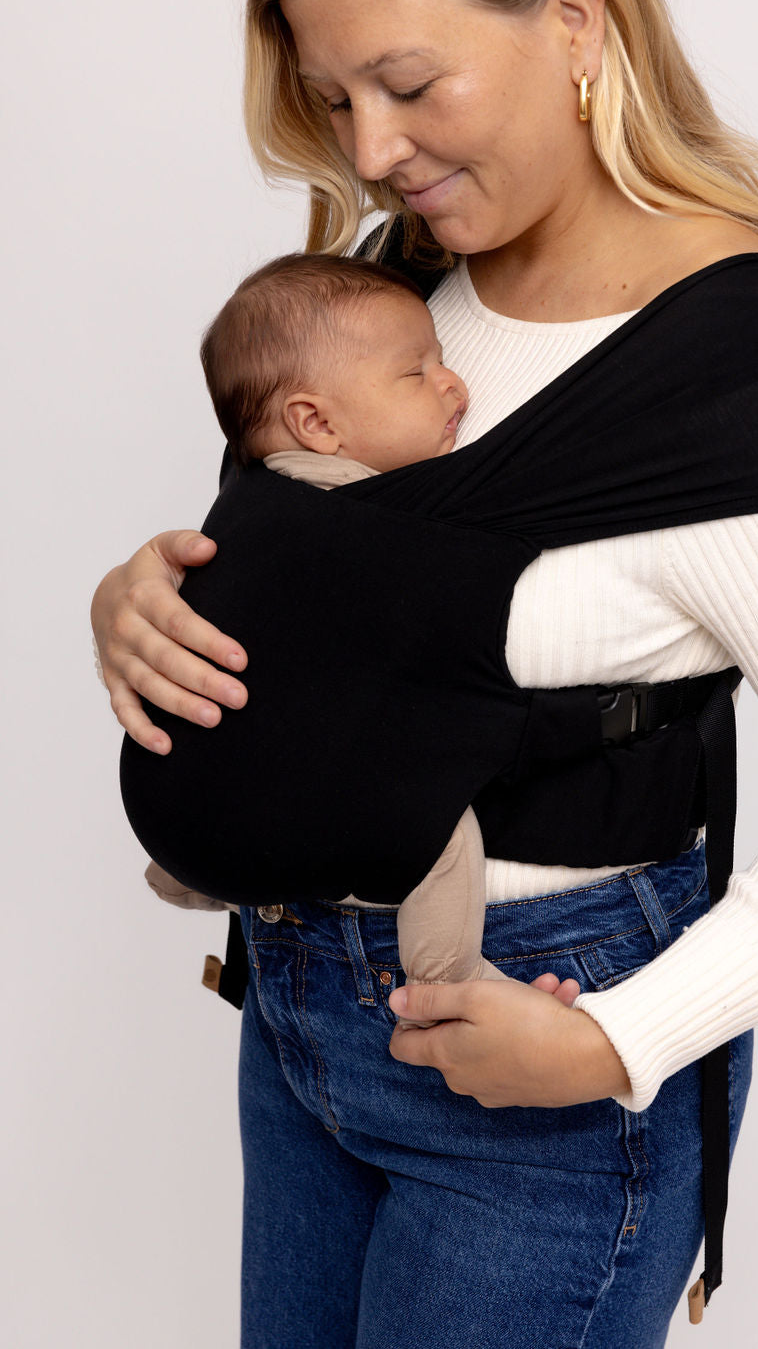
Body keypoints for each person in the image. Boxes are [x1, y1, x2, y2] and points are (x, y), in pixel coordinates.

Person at [91, 0, 758, 1343]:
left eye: (408, 84)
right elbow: (330, 578)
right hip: (294, 1010)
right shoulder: (392, 286)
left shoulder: (732, 366)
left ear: (572, 18)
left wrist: (621, 1039)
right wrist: (137, 599)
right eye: (334, 97)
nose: (371, 150)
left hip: (540, 1059)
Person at [138, 250, 513, 1031]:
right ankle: (444, 979)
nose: (455, 384)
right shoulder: (377, 518)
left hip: (182, 808)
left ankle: (197, 871)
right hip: (321, 779)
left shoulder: (250, 499)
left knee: (227, 756)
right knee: (439, 822)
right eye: (418, 372)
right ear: (317, 424)